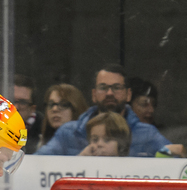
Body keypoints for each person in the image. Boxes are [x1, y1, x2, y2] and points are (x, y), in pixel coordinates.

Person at [36, 65, 170, 157]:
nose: (110, 93)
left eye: (116, 87)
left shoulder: (147, 134)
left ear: (128, 94)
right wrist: (77, 162)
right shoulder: (68, 132)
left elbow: (176, 166)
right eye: (103, 87)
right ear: (94, 94)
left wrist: (174, 153)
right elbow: (38, 164)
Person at [36, 83, 88, 149]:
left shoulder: (89, 144)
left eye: (63, 105)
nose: (54, 109)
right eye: (51, 104)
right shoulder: (40, 144)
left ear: (76, 108)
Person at [13, 74, 42, 153]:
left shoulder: (44, 129)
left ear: (32, 109)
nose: (15, 107)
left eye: (22, 102)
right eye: (11, 100)